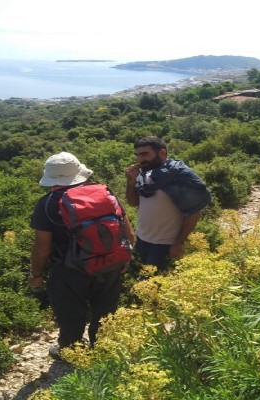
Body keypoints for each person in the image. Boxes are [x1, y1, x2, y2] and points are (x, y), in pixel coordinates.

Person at [28, 152, 134, 356]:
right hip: (109, 262)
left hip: (69, 270)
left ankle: (72, 352)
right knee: (106, 309)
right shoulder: (105, 194)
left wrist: (36, 274)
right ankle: (103, 349)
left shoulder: (47, 204)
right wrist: (124, 258)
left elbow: (42, 246)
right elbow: (127, 231)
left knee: (70, 313)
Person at [125, 136, 211, 271]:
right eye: (138, 155)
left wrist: (179, 243)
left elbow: (193, 212)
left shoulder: (180, 175)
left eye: (145, 154)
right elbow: (133, 202)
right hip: (142, 239)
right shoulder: (144, 173)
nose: (140, 159)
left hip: (165, 244)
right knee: (144, 280)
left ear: (162, 153)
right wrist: (131, 181)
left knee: (155, 286)